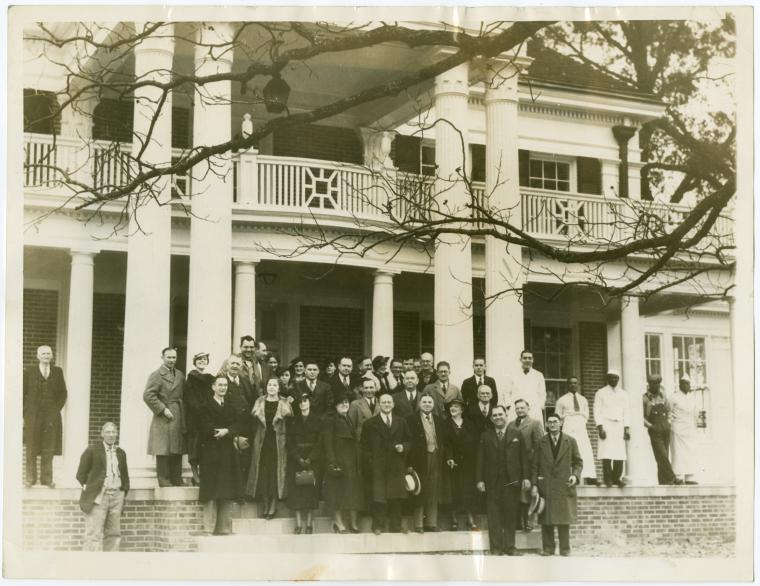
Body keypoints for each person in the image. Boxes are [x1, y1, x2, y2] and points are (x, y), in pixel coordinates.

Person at [476, 405, 530, 556]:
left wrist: (525, 477)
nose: (498, 417)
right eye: (495, 415)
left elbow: (524, 458)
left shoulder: (516, 434)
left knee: (510, 515)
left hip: (511, 482)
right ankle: (496, 548)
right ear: (491, 418)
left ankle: (510, 547)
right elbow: (480, 459)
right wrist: (480, 480)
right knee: (494, 516)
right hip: (492, 481)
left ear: (506, 415)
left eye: (501, 414)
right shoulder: (485, 435)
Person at [198, 376, 246, 535]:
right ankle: (208, 529)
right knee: (211, 490)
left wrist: (228, 431)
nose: (223, 388)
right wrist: (217, 432)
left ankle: (224, 529)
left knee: (226, 489)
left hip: (227, 453)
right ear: (213, 387)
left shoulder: (231, 407)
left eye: (225, 385)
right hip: (210, 452)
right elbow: (203, 425)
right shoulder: (205, 406)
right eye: (220, 385)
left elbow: (239, 424)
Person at [531, 413, 583, 556]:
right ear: (547, 425)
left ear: (560, 423)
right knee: (546, 518)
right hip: (545, 485)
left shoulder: (570, 441)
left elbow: (578, 462)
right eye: (550, 422)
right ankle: (548, 548)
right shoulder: (541, 442)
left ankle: (565, 549)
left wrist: (575, 476)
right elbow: (535, 465)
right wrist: (535, 485)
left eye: (555, 422)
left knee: (563, 518)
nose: (552, 424)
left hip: (563, 484)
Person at [361, 392, 411, 535]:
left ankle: (396, 526)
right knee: (379, 498)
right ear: (379, 404)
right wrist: (372, 460)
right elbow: (364, 446)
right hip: (378, 466)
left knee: (396, 498)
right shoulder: (370, 424)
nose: (387, 405)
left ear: (393, 404)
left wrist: (404, 447)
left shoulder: (401, 422)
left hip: (396, 465)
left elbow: (409, 441)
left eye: (389, 402)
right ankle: (378, 526)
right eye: (384, 402)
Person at [76, 422, 130, 551]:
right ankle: (90, 565)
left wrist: (123, 492)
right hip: (99, 496)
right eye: (108, 432)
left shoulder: (121, 453)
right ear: (102, 434)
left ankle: (110, 565)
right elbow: (80, 474)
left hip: (117, 496)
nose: (111, 435)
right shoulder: (92, 450)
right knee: (94, 533)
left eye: (113, 432)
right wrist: (91, 489)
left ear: (116, 434)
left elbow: (125, 475)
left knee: (114, 533)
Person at [246, 377, 292, 518]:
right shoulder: (259, 402)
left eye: (274, 385)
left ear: (279, 388)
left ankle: (273, 505)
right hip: (262, 442)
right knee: (263, 473)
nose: (272, 387)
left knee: (275, 473)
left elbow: (289, 425)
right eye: (269, 385)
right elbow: (253, 424)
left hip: (278, 443)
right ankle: (265, 504)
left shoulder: (284, 403)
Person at [23, 344, 68, 488]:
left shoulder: (57, 371)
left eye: (48, 354)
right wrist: (25, 412)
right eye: (43, 354)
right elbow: (22, 393)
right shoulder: (29, 371)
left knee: (48, 448)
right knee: (31, 447)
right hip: (33, 416)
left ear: (52, 356)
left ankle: (47, 480)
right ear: (37, 356)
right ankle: (30, 479)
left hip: (51, 416)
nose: (46, 356)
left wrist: (56, 410)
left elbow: (63, 393)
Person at [406, 393, 449, 533]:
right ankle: (418, 524)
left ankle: (431, 523)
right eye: (424, 401)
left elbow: (443, 441)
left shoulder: (439, 420)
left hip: (436, 456)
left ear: (433, 404)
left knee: (433, 489)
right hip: (420, 458)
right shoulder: (411, 420)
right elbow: (409, 442)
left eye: (429, 402)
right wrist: (410, 463)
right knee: (420, 488)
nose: (427, 404)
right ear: (419, 404)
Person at [143, 347, 185, 487]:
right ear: (162, 357)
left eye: (174, 357)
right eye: (169, 357)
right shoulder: (156, 375)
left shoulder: (180, 374)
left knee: (176, 447)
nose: (172, 360)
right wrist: (162, 409)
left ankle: (176, 478)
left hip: (178, 414)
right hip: (163, 416)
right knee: (163, 449)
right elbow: (148, 395)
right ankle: (164, 479)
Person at [322, 397, 363, 533]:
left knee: (350, 492)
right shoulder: (330, 420)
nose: (345, 405)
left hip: (350, 462)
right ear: (335, 406)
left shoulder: (348, 419)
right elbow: (327, 443)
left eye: (346, 402)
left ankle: (352, 522)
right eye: (341, 402)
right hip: (338, 462)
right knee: (336, 493)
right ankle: (338, 522)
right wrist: (332, 461)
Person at [286, 394, 322, 534]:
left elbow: (320, 442)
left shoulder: (318, 420)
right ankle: (299, 524)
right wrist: (298, 458)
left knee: (310, 493)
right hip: (297, 461)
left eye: (305, 401)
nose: (303, 404)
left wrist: (310, 458)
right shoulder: (293, 421)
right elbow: (289, 442)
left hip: (312, 461)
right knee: (297, 494)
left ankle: (309, 524)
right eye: (300, 402)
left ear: (310, 403)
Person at [444, 399, 480, 530]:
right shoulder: (445, 424)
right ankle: (454, 519)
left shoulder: (470, 424)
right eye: (451, 407)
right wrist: (449, 458)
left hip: (468, 463)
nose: (453, 409)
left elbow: (475, 443)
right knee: (453, 491)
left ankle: (470, 519)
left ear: (462, 410)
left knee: (468, 490)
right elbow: (445, 444)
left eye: (456, 407)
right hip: (452, 464)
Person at [555, 377, 597, 486]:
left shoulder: (583, 399)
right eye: (571, 383)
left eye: (575, 383)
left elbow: (586, 415)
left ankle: (589, 476)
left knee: (584, 450)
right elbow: (558, 416)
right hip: (568, 425)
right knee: (568, 450)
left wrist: (580, 421)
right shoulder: (561, 400)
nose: (573, 385)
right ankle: (569, 476)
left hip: (580, 426)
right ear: (567, 385)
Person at [510, 399, 544, 532]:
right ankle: (518, 523)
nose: (520, 410)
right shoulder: (511, 425)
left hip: (529, 464)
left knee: (527, 493)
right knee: (516, 493)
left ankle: (528, 522)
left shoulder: (535, 424)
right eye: (517, 408)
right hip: (514, 465)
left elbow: (539, 445)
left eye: (522, 408)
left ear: (528, 408)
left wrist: (533, 461)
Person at [594, 369, 630, 487]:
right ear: (607, 379)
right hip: (606, 424)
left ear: (618, 379)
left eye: (616, 378)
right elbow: (597, 411)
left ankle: (616, 478)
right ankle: (608, 479)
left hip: (619, 425)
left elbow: (627, 412)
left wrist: (626, 428)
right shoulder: (601, 392)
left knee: (619, 454)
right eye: (611, 377)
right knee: (607, 453)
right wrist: (600, 427)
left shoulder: (623, 394)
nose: (614, 380)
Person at [184, 352, 214, 486]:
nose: (202, 361)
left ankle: (203, 474)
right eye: (199, 360)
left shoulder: (209, 378)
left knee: (204, 446)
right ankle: (195, 475)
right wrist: (202, 410)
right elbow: (190, 399)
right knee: (194, 446)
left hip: (206, 418)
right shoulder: (191, 378)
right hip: (195, 418)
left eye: (204, 359)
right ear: (194, 362)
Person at [642, 374, 677, 485]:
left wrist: (669, 422)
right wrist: (651, 427)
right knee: (661, 454)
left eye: (658, 383)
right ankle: (672, 477)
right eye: (653, 383)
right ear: (649, 384)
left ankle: (664, 481)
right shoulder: (645, 398)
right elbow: (641, 417)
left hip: (665, 428)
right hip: (655, 429)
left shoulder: (663, 396)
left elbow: (670, 411)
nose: (656, 385)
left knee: (663, 455)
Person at [670, 374, 699, 485]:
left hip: (690, 429)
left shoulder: (693, 398)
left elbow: (695, 414)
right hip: (677, 429)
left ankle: (689, 477)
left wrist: (695, 426)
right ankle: (678, 476)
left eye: (688, 384)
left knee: (690, 452)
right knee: (678, 453)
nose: (686, 386)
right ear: (680, 384)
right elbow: (669, 412)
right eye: (684, 383)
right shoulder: (673, 397)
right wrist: (672, 425)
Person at [506, 350, 546, 421]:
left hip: (533, 409)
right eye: (525, 358)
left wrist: (539, 407)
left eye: (530, 358)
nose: (527, 360)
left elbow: (542, 393)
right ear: (520, 359)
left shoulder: (538, 375)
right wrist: (509, 406)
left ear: (533, 360)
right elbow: (506, 392)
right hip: (516, 409)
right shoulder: (512, 374)